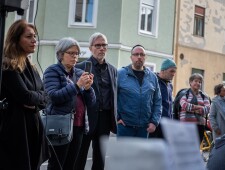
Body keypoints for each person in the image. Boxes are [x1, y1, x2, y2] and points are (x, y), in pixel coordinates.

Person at [0, 19, 49, 170]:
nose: (34, 40)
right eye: (29, 37)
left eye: (34, 36)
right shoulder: (8, 65)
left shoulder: (31, 67)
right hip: (16, 131)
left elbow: (46, 97)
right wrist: (36, 97)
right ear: (16, 39)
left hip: (33, 128)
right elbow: (25, 97)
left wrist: (36, 98)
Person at [43, 37, 95, 170]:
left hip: (79, 125)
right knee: (57, 165)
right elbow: (54, 97)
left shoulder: (79, 73)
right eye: (71, 53)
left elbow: (92, 102)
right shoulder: (52, 71)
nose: (75, 56)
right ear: (61, 54)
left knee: (71, 165)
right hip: (60, 125)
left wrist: (88, 89)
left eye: (77, 53)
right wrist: (77, 86)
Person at [74, 32, 117, 170]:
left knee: (100, 158)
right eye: (98, 45)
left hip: (105, 118)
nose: (101, 48)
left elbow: (114, 95)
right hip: (86, 117)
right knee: (80, 156)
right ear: (91, 48)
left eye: (104, 45)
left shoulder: (113, 70)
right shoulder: (81, 67)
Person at [117, 44, 162, 138]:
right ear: (131, 57)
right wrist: (116, 118)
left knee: (140, 153)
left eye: (142, 54)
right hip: (125, 127)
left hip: (144, 129)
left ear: (145, 57)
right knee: (125, 153)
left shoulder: (152, 77)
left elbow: (158, 101)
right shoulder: (120, 74)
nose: (139, 57)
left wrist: (154, 122)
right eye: (136, 54)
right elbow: (112, 98)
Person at [149, 59, 177, 139]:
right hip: (155, 124)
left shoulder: (170, 85)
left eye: (174, 72)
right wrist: (152, 121)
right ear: (163, 70)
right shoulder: (153, 81)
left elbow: (169, 105)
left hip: (167, 125)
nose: (173, 74)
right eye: (171, 71)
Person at [179, 73, 211, 143]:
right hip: (186, 125)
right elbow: (184, 105)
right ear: (190, 82)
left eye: (200, 82)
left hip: (199, 126)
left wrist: (192, 109)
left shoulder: (204, 96)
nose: (198, 83)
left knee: (196, 147)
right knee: (185, 145)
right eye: (196, 81)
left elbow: (208, 108)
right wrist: (199, 107)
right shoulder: (185, 94)